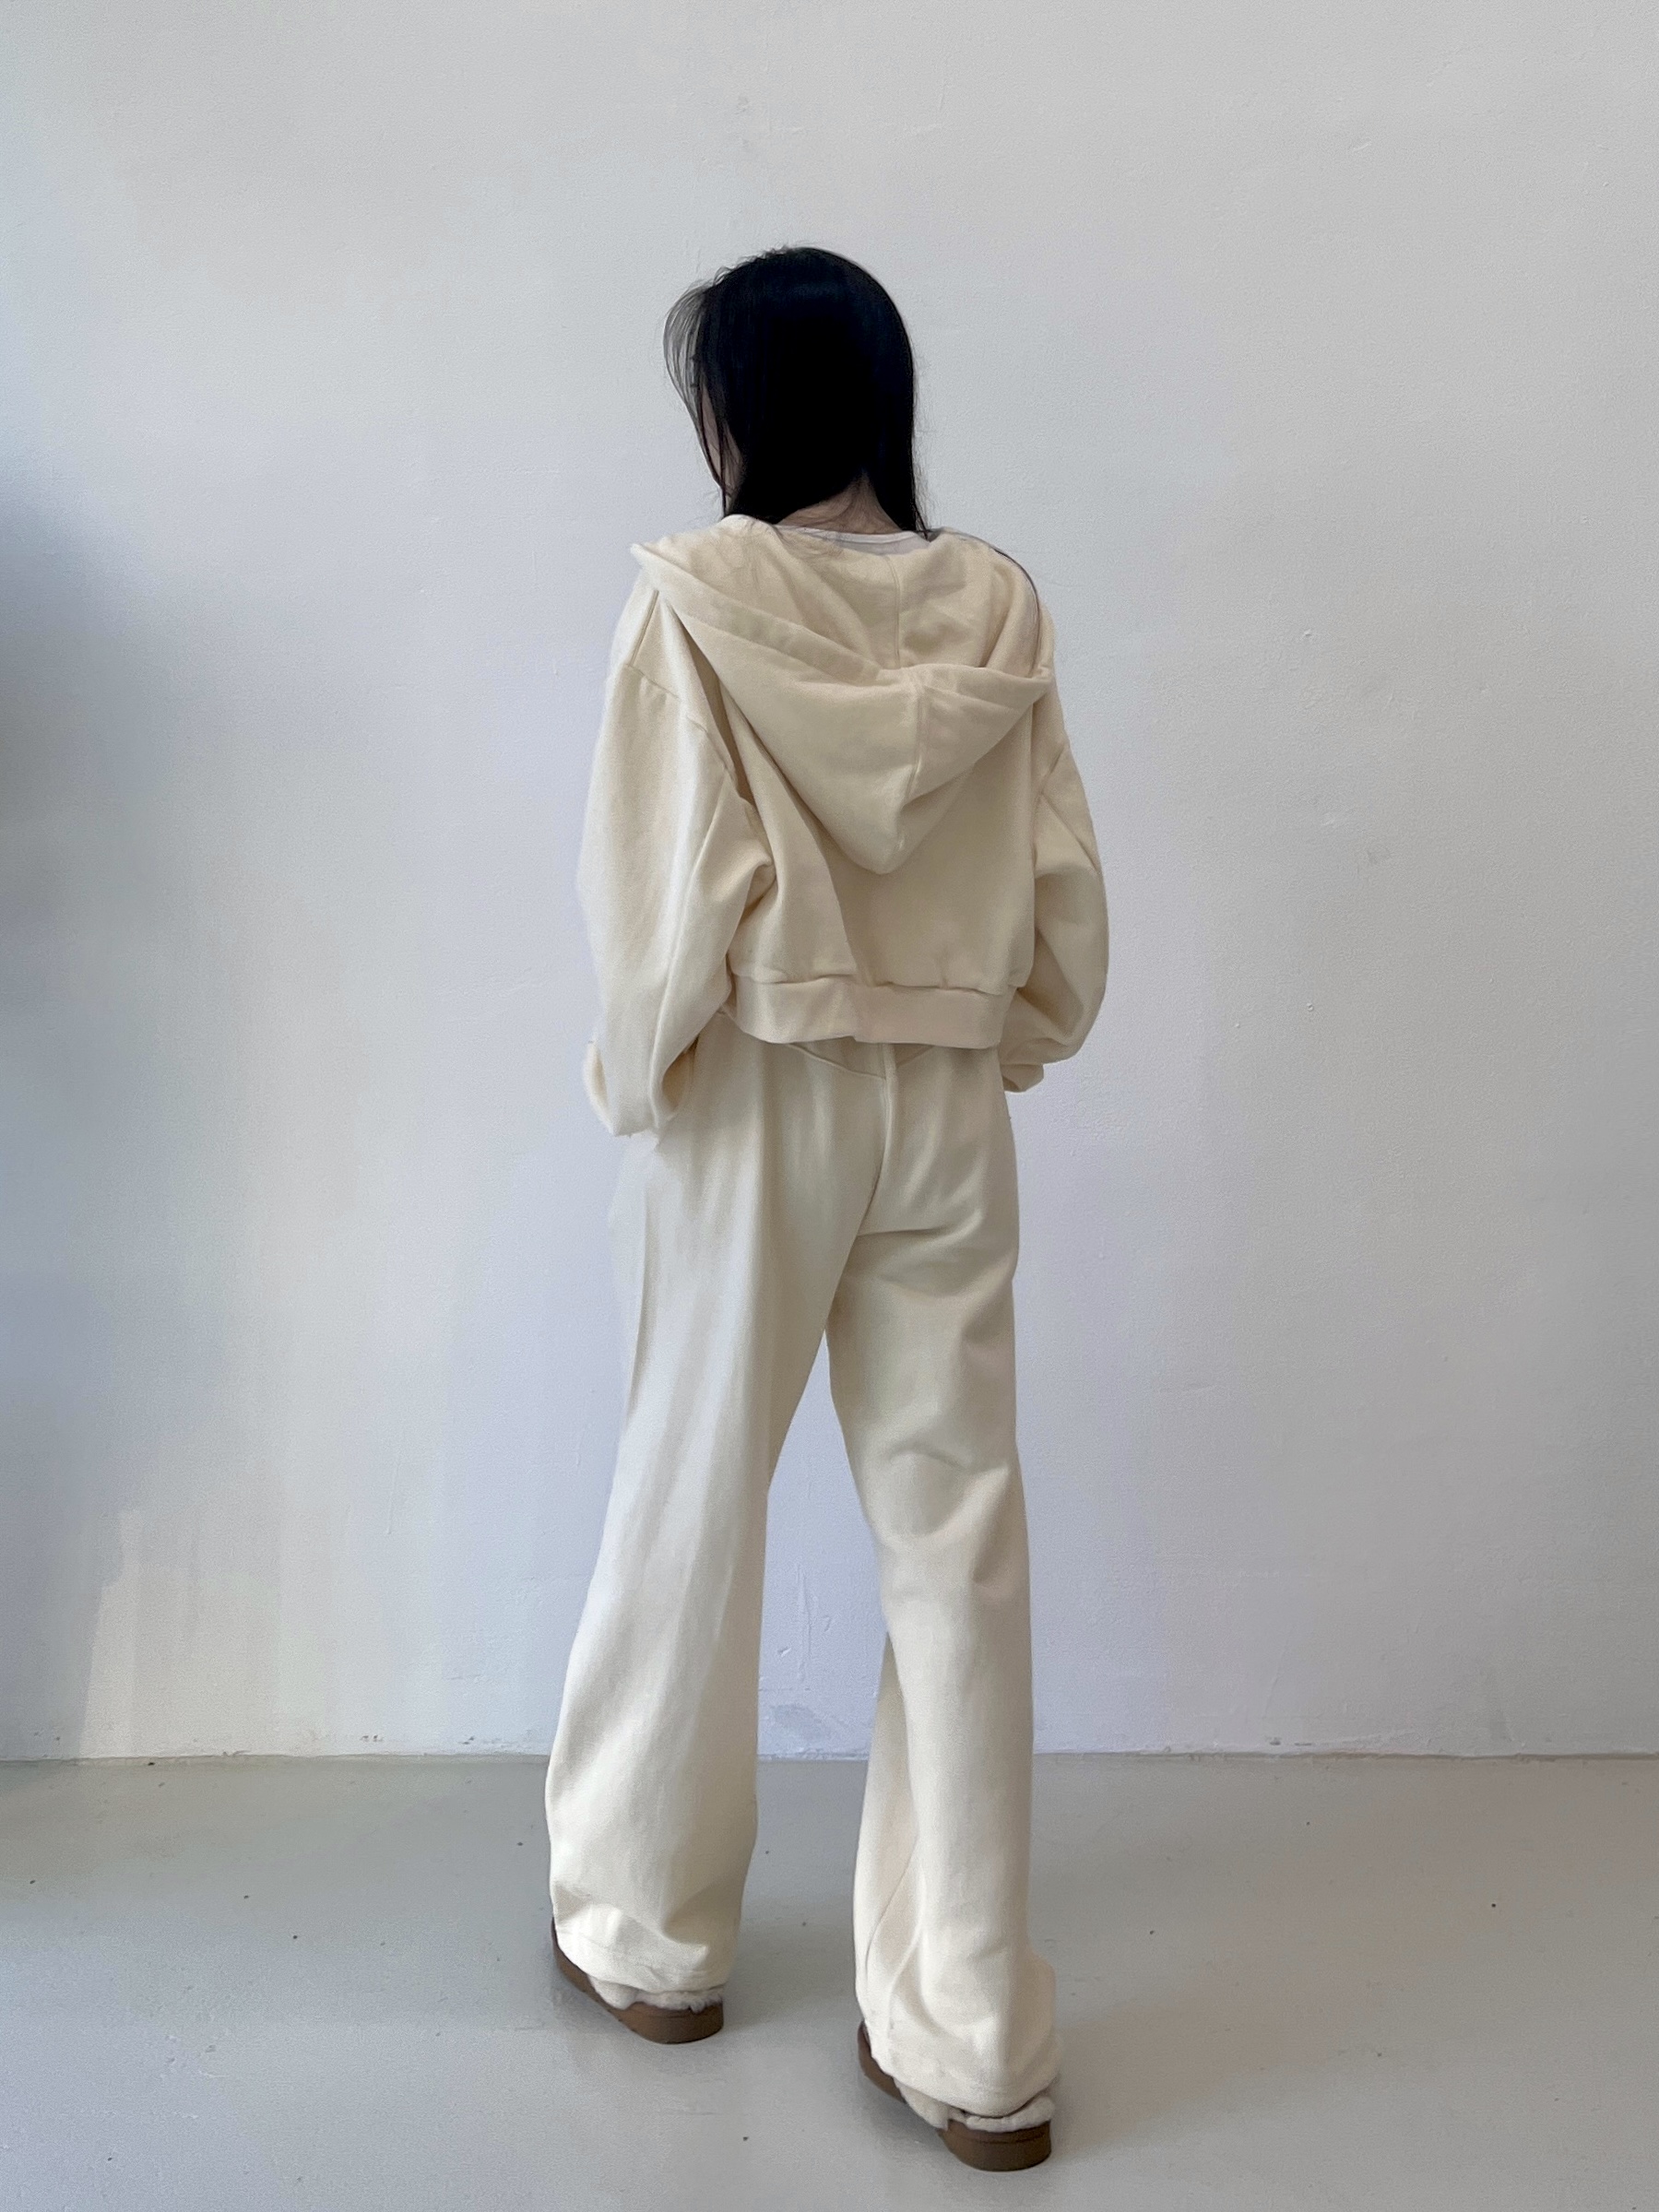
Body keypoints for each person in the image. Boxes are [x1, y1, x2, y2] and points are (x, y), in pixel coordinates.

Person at [543, 244, 1108, 2173]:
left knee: (688, 1491)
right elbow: (1064, 897)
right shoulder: (997, 609)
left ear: (738, 411)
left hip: (758, 1084)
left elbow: (655, 900)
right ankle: (971, 2031)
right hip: (943, 1100)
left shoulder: (699, 599)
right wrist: (996, 1029)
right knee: (960, 1539)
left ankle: (650, 1935)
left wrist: (643, 1076)